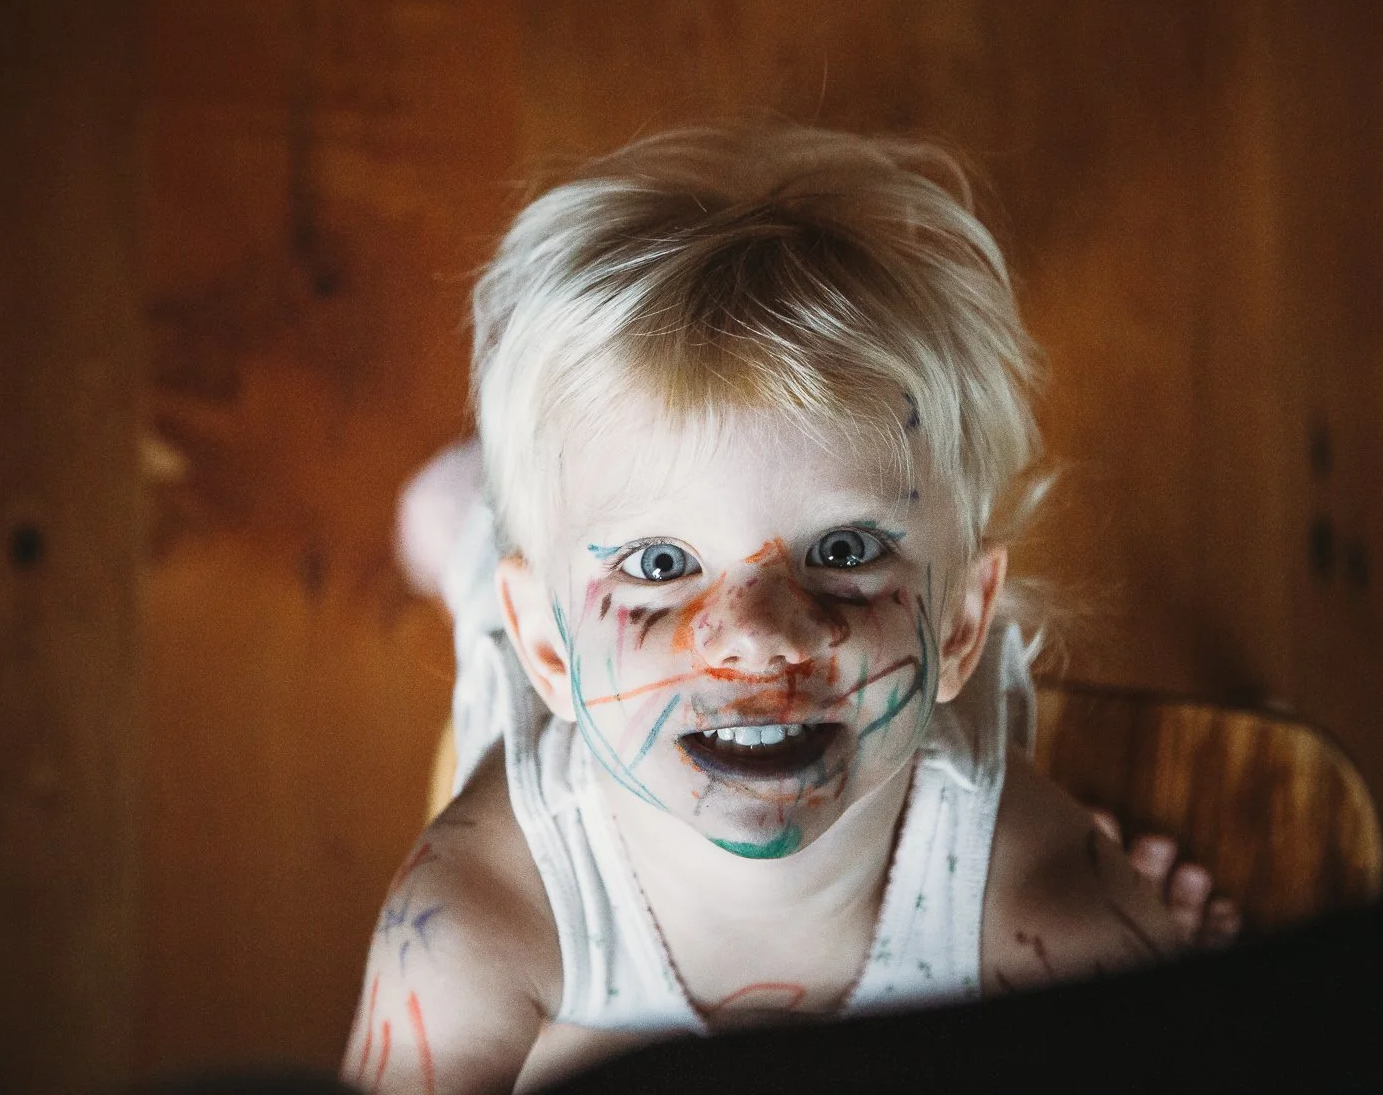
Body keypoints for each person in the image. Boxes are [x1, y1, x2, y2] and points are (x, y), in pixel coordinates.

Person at [345, 124, 1236, 1095]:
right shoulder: (473, 926)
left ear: (965, 623)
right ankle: (479, 524)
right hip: (526, 626)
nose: (760, 637)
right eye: (659, 564)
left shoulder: (1042, 907)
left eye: (845, 552)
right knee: (453, 523)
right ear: (550, 652)